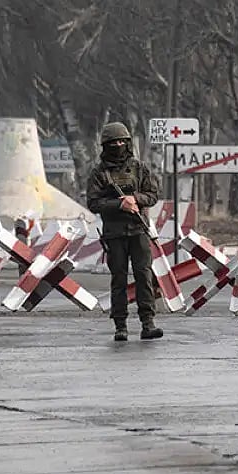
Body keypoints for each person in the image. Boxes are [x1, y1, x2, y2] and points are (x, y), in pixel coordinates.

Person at [85, 122, 164, 342]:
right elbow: (93, 202)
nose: (118, 145)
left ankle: (148, 323)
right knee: (118, 279)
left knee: (144, 276)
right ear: (105, 145)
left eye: (122, 142)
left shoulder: (139, 168)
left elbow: (152, 194)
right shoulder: (99, 173)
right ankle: (120, 326)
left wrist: (135, 199)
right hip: (114, 234)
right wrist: (118, 205)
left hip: (138, 230)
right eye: (114, 143)